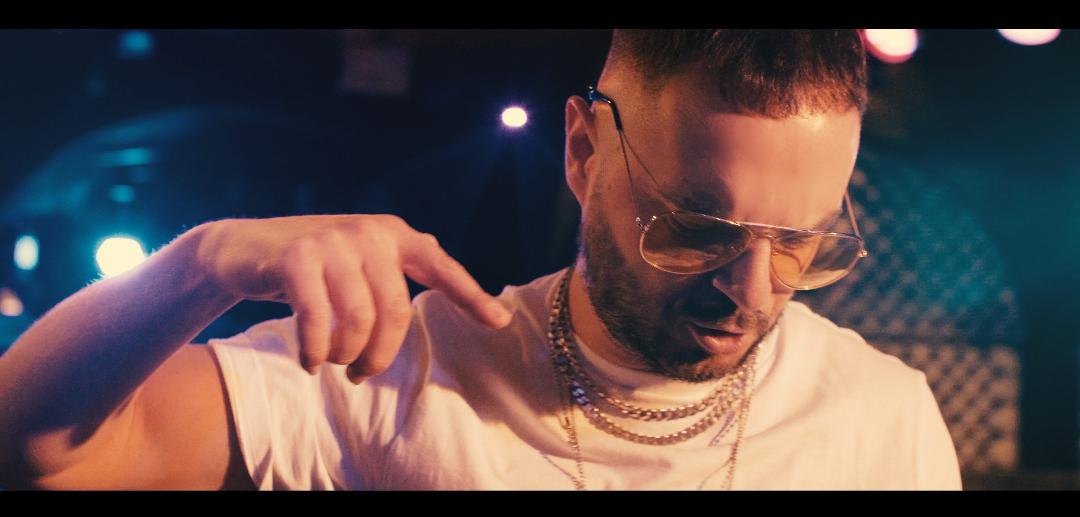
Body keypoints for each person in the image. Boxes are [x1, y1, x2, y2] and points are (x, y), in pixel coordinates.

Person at [0, 29, 962, 490]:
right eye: (697, 228)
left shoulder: (883, 414)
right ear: (583, 152)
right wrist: (201, 265)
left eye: (799, 241)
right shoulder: (396, 379)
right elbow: (33, 449)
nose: (752, 289)